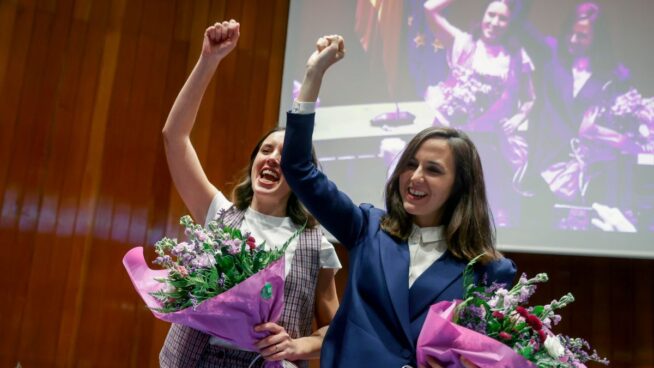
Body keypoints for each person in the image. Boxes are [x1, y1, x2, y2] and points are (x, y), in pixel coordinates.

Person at [281, 35, 516, 368]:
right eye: (410, 163)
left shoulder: (489, 271)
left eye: (433, 170)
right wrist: (313, 76)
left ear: (461, 187)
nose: (415, 176)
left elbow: (484, 356)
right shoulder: (367, 227)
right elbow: (298, 168)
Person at [158, 20, 341, 368]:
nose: (273, 159)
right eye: (266, 150)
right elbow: (174, 137)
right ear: (254, 161)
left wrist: (298, 345)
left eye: (286, 156)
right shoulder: (218, 214)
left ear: (303, 175)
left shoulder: (316, 245)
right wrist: (208, 60)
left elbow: (336, 329)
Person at [424, 0, 536, 226]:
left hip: (488, 144)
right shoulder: (464, 42)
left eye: (502, 18)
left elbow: (530, 98)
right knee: (443, 205)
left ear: (510, 23)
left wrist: (517, 118)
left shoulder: (516, 56)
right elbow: (429, 8)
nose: (495, 22)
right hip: (449, 139)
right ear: (483, 15)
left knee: (485, 209)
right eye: (491, 15)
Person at [519, 2, 631, 210]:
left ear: (596, 39)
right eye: (571, 32)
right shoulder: (550, 55)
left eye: (582, 36)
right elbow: (522, 25)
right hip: (543, 169)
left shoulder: (612, 75)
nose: (573, 40)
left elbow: (621, 123)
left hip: (586, 176)